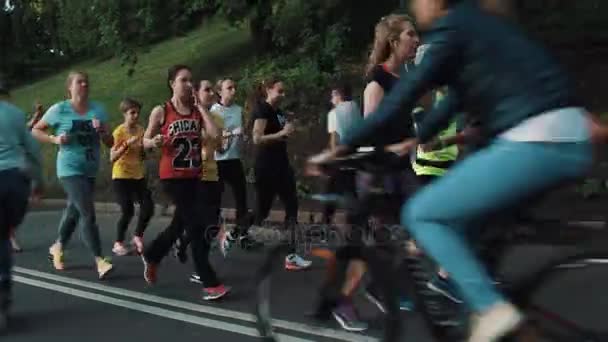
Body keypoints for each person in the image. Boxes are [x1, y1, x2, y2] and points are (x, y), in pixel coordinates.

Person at [309, 0, 595, 341]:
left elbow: (404, 99)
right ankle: (477, 296)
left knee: (422, 215)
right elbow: (452, 102)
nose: (418, 9)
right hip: (569, 135)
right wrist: (417, 138)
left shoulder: (455, 26)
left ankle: (492, 311)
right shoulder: (485, 24)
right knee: (468, 228)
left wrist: (341, 147)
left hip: (532, 140)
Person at [141, 65, 229, 300]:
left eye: (191, 80)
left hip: (194, 176)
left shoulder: (196, 111)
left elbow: (214, 135)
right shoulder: (161, 111)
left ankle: (152, 254)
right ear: (172, 83)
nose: (189, 84)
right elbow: (144, 141)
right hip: (172, 178)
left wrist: (201, 107)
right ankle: (209, 282)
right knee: (196, 226)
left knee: (179, 225)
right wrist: (154, 142)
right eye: (184, 80)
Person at [32, 71, 114, 280]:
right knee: (87, 212)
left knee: (74, 211)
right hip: (69, 169)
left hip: (90, 169)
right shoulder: (60, 109)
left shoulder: (98, 109)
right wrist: (55, 139)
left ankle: (58, 246)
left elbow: (110, 142)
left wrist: (103, 130)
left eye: (86, 82)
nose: (84, 85)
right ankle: (100, 260)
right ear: (70, 87)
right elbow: (35, 130)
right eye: (79, 82)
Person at [249, 77, 312, 271]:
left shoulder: (278, 112)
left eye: (284, 92)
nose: (283, 95)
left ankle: (291, 256)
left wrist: (288, 132)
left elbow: (280, 134)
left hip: (282, 165)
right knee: (262, 210)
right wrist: (281, 134)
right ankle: (236, 231)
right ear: (268, 89)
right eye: (280, 91)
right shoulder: (263, 110)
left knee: (292, 206)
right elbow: (257, 138)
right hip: (266, 167)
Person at [0, 75, 44, 332]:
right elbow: (34, 152)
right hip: (16, 182)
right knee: (3, 235)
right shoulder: (15, 114)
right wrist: (38, 182)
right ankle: (4, 286)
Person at [210, 78, 257, 253]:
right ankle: (212, 234)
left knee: (241, 198)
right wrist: (231, 133)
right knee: (215, 201)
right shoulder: (214, 111)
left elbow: (241, 131)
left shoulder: (238, 110)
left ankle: (243, 233)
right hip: (218, 161)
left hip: (234, 159)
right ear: (220, 92)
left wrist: (243, 137)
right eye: (229, 88)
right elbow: (215, 136)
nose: (233, 90)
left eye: (234, 87)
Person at [109, 98, 154, 256]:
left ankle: (137, 236)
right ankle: (118, 243)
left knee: (148, 207)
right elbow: (112, 157)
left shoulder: (141, 130)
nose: (135, 116)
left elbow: (143, 153)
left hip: (138, 176)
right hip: (121, 176)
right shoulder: (119, 132)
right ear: (124, 114)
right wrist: (126, 144)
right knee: (127, 210)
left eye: (137, 113)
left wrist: (148, 148)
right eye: (132, 113)